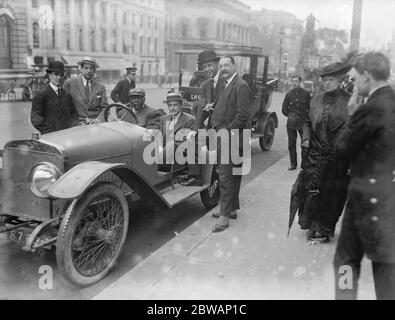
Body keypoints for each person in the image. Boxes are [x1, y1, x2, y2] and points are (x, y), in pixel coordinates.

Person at [333, 52, 395, 300]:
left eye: (357, 78)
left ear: (367, 76)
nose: (355, 84)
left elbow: (342, 149)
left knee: (346, 261)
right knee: (385, 264)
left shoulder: (369, 109)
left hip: (364, 199)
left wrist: (350, 115)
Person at [297, 61, 351, 243]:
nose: (327, 83)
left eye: (331, 79)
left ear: (340, 80)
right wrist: (305, 138)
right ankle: (312, 225)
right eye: (325, 80)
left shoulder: (350, 101)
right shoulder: (316, 98)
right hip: (314, 155)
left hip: (336, 158)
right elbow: (306, 121)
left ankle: (324, 229)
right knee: (310, 190)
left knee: (331, 195)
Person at [209, 56, 251, 233]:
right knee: (232, 175)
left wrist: (227, 133)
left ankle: (224, 216)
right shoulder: (226, 84)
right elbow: (227, 107)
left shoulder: (241, 85)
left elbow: (242, 115)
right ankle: (231, 209)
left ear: (235, 66)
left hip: (231, 137)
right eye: (221, 66)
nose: (223, 68)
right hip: (226, 136)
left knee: (225, 176)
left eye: (226, 65)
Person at [182, 49, 226, 186]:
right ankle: (196, 176)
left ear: (217, 64)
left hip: (227, 128)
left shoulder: (227, 82)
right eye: (204, 67)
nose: (207, 69)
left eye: (210, 66)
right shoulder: (206, 85)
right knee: (191, 141)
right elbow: (202, 109)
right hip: (212, 128)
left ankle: (223, 185)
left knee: (224, 165)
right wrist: (195, 130)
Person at [158, 91, 201, 184]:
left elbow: (189, 143)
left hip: (179, 154)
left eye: (175, 105)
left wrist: (171, 146)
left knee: (172, 144)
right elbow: (160, 137)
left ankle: (154, 165)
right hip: (164, 152)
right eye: (170, 105)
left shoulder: (189, 120)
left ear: (181, 105)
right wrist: (159, 147)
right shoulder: (163, 119)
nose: (172, 108)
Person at [31, 61, 79, 134]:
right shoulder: (41, 94)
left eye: (61, 75)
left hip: (67, 135)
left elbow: (74, 114)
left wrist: (72, 127)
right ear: (49, 75)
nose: (59, 77)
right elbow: (36, 118)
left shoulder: (67, 94)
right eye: (56, 74)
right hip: (50, 136)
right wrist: (50, 131)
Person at [63, 56, 107, 124]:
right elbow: (64, 106)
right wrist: (75, 122)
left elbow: (105, 108)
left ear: (95, 70)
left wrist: (98, 120)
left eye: (91, 68)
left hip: (95, 125)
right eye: (86, 68)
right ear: (81, 69)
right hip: (76, 125)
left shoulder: (101, 87)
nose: (89, 71)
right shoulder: (70, 83)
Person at [282, 75, 311, 170]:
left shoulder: (306, 94)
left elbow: (310, 108)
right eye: (293, 81)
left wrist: (305, 118)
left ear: (300, 82)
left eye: (296, 81)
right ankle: (293, 164)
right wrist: (291, 116)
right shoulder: (289, 94)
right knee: (291, 144)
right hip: (291, 124)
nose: (294, 83)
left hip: (303, 123)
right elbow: (284, 109)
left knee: (305, 144)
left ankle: (304, 164)